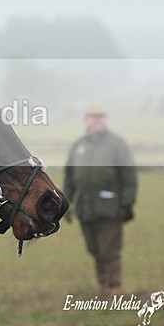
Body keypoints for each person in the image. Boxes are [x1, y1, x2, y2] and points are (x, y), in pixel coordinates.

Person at [63, 103, 137, 298]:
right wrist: (65, 204)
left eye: (100, 117)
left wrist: (127, 203)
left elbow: (129, 176)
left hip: (110, 208)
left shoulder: (116, 144)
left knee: (109, 250)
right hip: (85, 208)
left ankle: (115, 288)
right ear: (86, 120)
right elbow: (69, 178)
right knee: (94, 250)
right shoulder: (78, 146)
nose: (97, 120)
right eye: (93, 117)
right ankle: (103, 287)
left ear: (105, 119)